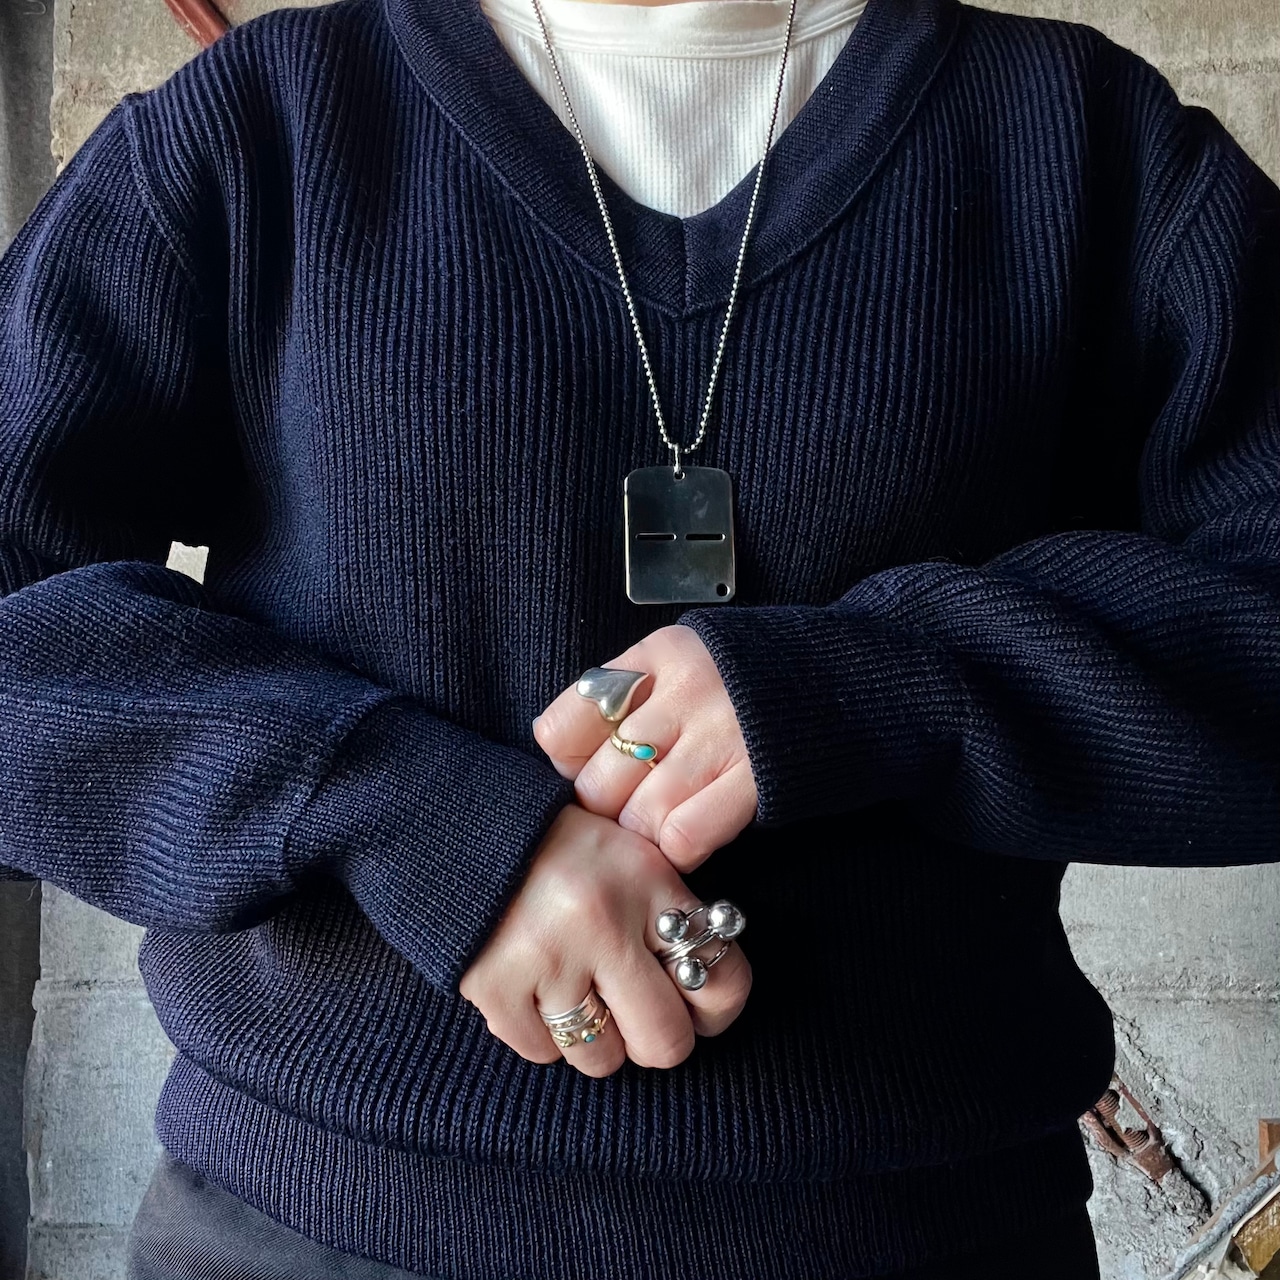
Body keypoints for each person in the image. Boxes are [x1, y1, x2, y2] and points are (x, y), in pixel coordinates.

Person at [1, 0, 1277, 1272]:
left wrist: (884, 685)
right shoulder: (256, 124)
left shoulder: (1087, 142)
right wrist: (402, 816)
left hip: (925, 1232)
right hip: (306, 1226)